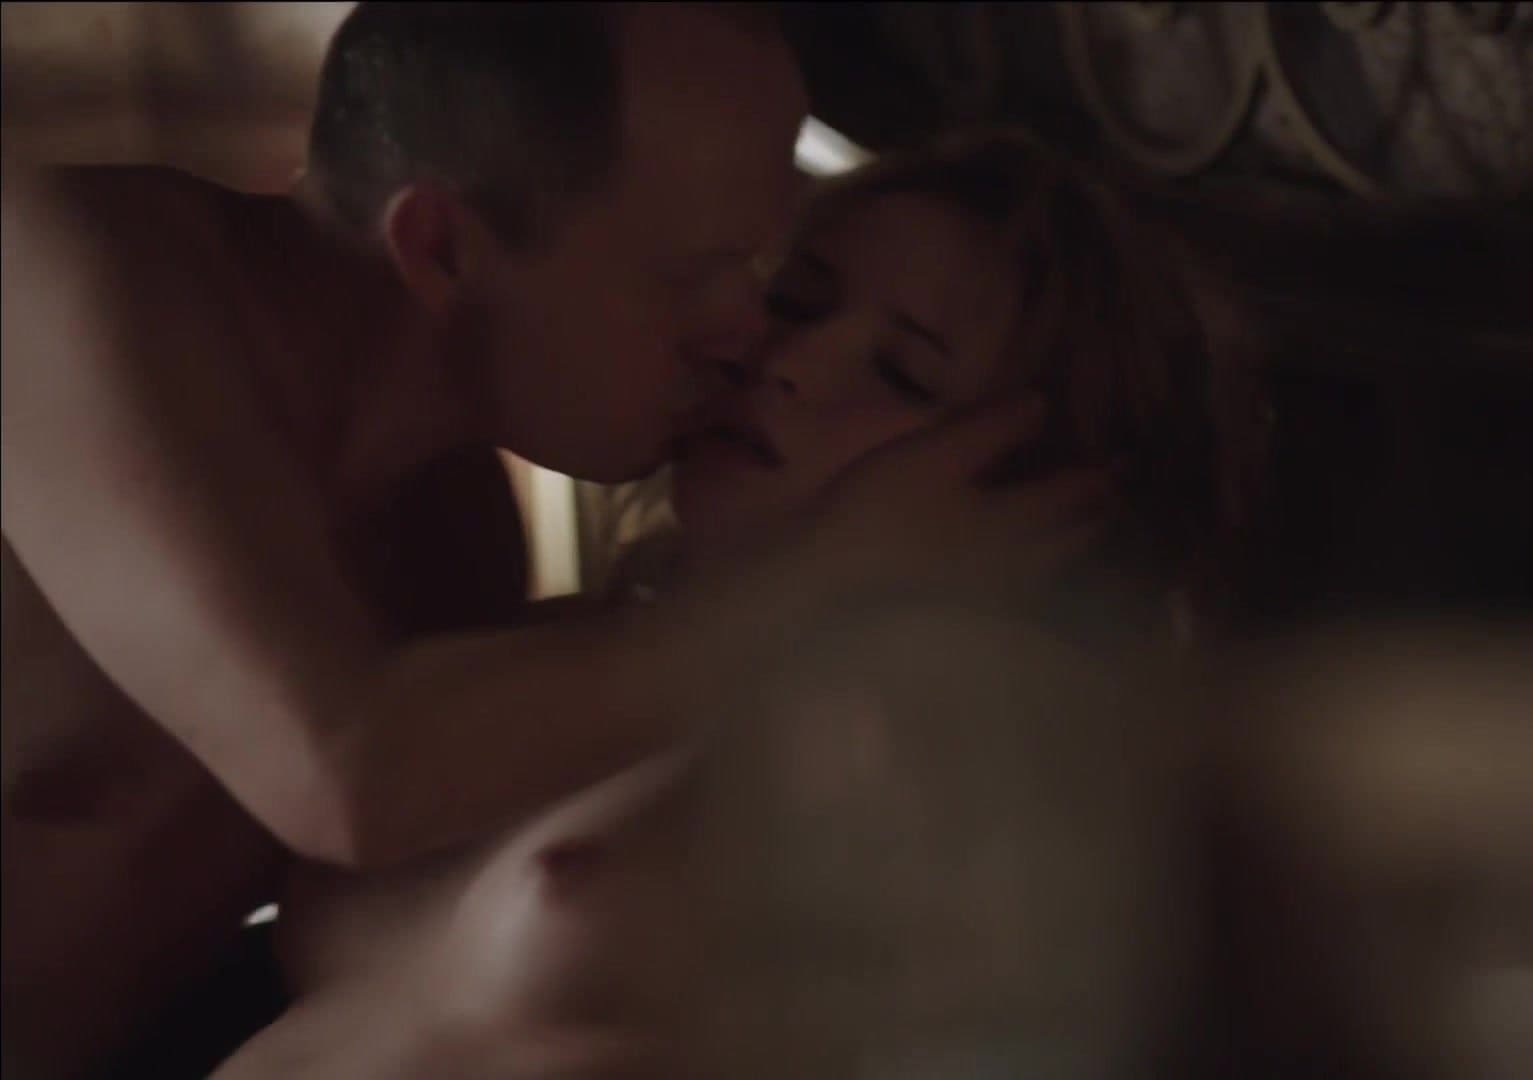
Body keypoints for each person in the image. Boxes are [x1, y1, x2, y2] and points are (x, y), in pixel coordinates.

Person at [1, 6, 1109, 1075]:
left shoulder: (459, 548)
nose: (750, 338)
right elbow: (346, 776)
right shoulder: (64, 278)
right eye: (697, 275)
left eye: (759, 273)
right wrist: (835, 566)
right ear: (441, 246)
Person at [218, 128, 1268, 1078]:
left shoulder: (938, 753)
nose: (793, 364)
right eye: (798, 301)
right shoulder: (567, 642)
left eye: (902, 372)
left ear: (1040, 493)